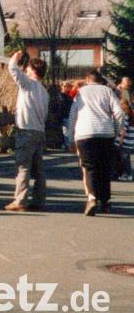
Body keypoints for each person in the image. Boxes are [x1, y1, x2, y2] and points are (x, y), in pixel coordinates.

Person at [68, 70, 125, 216]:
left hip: (84, 133)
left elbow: (73, 115)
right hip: (105, 134)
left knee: (89, 167)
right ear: (100, 80)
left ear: (87, 79)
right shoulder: (107, 91)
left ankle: (92, 197)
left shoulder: (81, 92)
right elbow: (119, 113)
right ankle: (105, 201)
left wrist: (70, 137)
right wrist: (115, 130)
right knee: (104, 168)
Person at [5, 51, 50, 212]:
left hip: (26, 130)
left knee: (23, 166)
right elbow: (44, 114)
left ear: (32, 70)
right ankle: (39, 200)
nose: (25, 70)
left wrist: (16, 56)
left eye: (28, 68)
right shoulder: (44, 92)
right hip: (39, 131)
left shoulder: (28, 84)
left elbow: (12, 68)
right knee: (38, 168)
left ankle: (20, 200)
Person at [117, 100, 134, 182]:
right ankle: (126, 174)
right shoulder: (131, 114)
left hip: (125, 141)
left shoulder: (126, 116)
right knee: (125, 158)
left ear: (125, 105)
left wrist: (120, 140)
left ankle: (129, 174)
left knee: (125, 159)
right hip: (130, 141)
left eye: (121, 105)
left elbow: (124, 129)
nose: (120, 106)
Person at [55, 81, 76, 150]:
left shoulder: (68, 96)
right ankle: (68, 145)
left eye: (68, 86)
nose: (67, 87)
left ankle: (67, 144)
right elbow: (61, 106)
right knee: (67, 131)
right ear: (62, 87)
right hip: (64, 116)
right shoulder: (60, 95)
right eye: (65, 86)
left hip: (67, 115)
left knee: (67, 131)